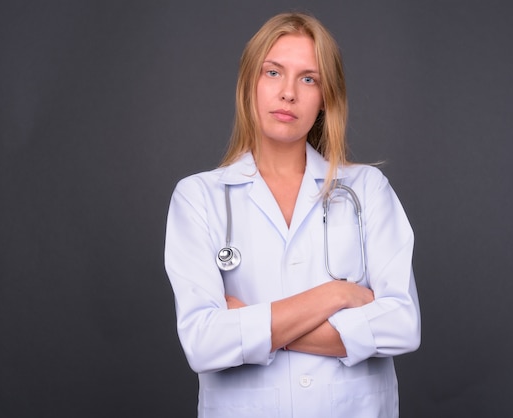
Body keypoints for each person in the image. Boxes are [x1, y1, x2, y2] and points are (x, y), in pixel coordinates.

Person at [164, 11, 421, 418]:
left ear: (325, 98)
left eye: (308, 79)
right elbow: (204, 343)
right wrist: (334, 295)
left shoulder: (367, 190)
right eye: (273, 73)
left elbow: (402, 325)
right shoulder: (198, 197)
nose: (288, 93)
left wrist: (247, 323)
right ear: (249, 82)